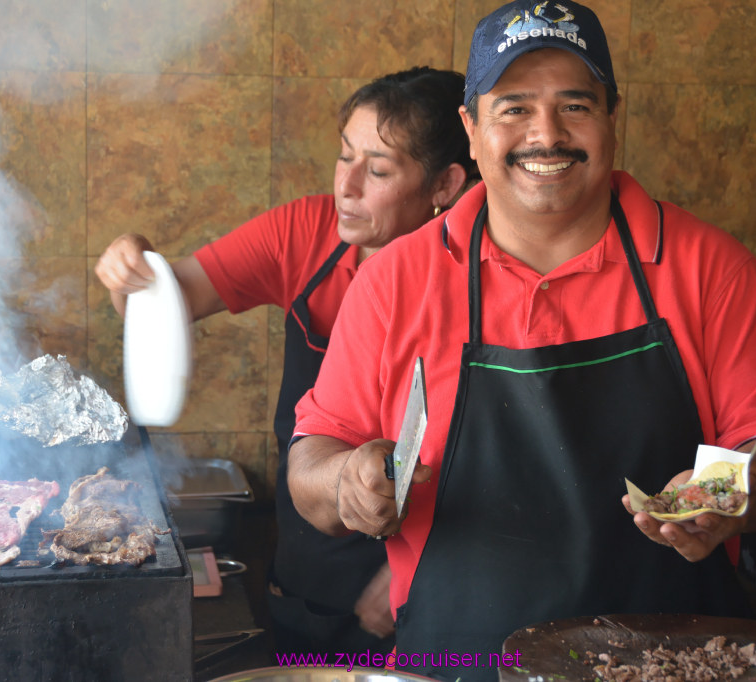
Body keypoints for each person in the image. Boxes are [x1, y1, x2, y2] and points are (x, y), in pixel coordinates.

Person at [287, 2, 756, 680]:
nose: (547, 134)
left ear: (610, 121)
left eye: (575, 105)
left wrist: (725, 491)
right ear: (471, 129)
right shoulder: (396, 281)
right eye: (513, 108)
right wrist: (347, 482)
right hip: (457, 665)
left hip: (671, 665)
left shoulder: (709, 267)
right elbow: (313, 461)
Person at [94, 66, 475, 656]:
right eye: (344, 156)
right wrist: (133, 268)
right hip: (310, 561)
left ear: (445, 186)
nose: (345, 185)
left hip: (441, 568)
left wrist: (419, 572)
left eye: (376, 170)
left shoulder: (480, 275)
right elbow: (168, 298)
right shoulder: (308, 232)